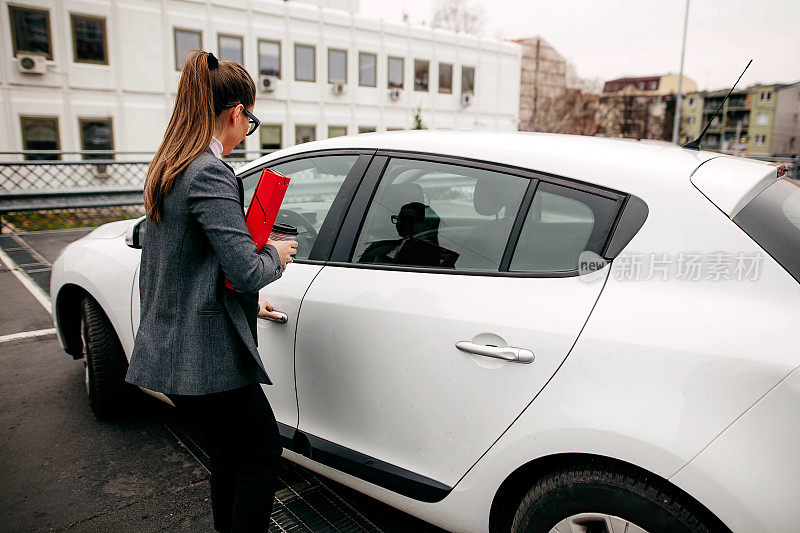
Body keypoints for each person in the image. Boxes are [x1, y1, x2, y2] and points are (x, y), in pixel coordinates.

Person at [124, 50, 297, 532]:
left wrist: (244, 300)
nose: (248, 130)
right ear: (237, 113)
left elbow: (186, 262)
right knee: (262, 450)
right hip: (206, 357)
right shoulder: (209, 172)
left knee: (228, 454)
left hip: (170, 345)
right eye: (252, 120)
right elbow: (245, 268)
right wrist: (278, 257)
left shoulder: (171, 166)